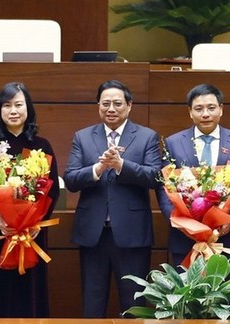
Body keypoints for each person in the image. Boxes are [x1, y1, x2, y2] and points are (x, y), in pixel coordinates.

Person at [64, 79, 161, 318]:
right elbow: (71, 179)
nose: (111, 108)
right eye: (105, 103)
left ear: (130, 105)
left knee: (134, 301)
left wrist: (121, 166)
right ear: (98, 106)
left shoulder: (147, 136)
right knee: (93, 301)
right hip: (93, 234)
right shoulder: (83, 137)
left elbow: (155, 176)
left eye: (117, 103)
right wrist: (98, 168)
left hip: (132, 234)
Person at [0, 82, 60, 318]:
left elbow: (52, 191)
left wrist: (36, 223)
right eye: (6, 105)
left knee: (30, 289)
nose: (13, 111)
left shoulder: (42, 146)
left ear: (28, 108)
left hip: (32, 234)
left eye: (18, 105)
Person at [156, 83, 230, 277]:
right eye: (198, 109)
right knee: (185, 300)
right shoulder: (173, 143)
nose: (205, 114)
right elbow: (163, 187)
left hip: (224, 238)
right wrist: (179, 223)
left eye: (211, 108)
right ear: (190, 112)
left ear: (221, 109)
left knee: (221, 299)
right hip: (184, 238)